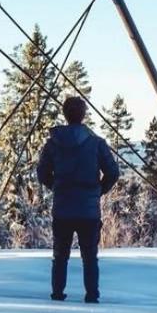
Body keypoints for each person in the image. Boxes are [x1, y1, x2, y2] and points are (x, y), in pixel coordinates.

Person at [37, 96, 120, 302]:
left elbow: (42, 173)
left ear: (64, 115)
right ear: (84, 115)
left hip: (63, 208)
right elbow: (113, 172)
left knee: (60, 257)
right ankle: (92, 296)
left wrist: (56, 187)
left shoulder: (53, 144)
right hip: (88, 210)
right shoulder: (97, 143)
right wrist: (98, 190)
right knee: (90, 258)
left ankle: (57, 295)